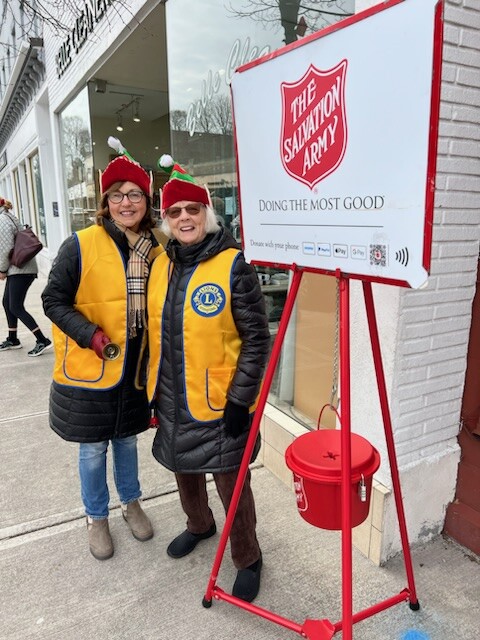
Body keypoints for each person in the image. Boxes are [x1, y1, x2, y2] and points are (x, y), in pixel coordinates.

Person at [146, 155, 270, 602]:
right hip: (172, 398)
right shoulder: (161, 265)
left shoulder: (234, 265)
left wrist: (241, 400)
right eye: (175, 212)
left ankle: (248, 556)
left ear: (207, 215)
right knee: (184, 472)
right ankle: (199, 525)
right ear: (166, 220)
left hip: (222, 404)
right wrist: (150, 390)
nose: (184, 218)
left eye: (192, 210)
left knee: (231, 485)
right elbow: (157, 336)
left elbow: (258, 341)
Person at [42, 143, 164, 561]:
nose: (125, 202)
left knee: (127, 441)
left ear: (147, 201)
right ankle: (96, 516)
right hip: (92, 362)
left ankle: (131, 502)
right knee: (93, 448)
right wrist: (90, 334)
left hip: (135, 368)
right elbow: (53, 301)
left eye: (134, 194)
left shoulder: (158, 248)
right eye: (117, 194)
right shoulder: (79, 245)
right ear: (105, 202)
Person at [0, 197, 52, 356]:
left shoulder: (2, 219)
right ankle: (13, 339)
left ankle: (42, 340)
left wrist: (1, 269)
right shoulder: (6, 216)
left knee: (15, 306)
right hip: (19, 267)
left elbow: (6, 247)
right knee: (7, 302)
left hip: (21, 269)